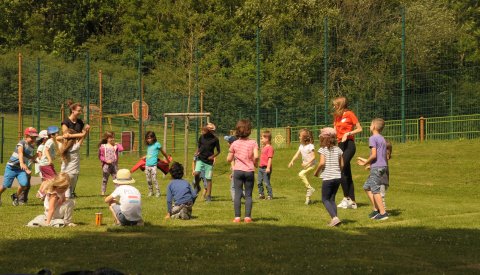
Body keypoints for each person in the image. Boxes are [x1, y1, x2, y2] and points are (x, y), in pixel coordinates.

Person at [333, 96, 362, 210]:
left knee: (340, 168)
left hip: (349, 145)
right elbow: (334, 131)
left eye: (335, 104)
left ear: (340, 104)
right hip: (340, 145)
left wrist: (348, 133)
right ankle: (353, 202)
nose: (334, 106)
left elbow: (360, 128)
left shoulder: (350, 114)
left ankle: (347, 199)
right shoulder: (336, 116)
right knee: (346, 173)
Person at [357, 118, 389, 220]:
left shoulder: (373, 138)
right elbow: (380, 156)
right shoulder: (382, 138)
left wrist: (365, 163)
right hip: (382, 166)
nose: (369, 126)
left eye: (370, 124)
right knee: (367, 186)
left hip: (377, 168)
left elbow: (374, 155)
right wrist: (369, 163)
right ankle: (376, 210)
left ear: (374, 126)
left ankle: (383, 213)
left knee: (375, 190)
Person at [227, 119, 259, 223]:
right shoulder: (253, 142)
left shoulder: (235, 143)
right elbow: (257, 156)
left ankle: (237, 217)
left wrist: (233, 158)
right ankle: (247, 217)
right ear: (249, 130)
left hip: (238, 171)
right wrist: (255, 163)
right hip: (249, 171)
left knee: (237, 194)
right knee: (248, 195)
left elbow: (228, 159)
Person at [0, 127, 38, 207]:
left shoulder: (31, 146)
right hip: (11, 167)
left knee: (24, 184)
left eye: (35, 137)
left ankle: (15, 196)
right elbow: (20, 152)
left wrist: (32, 158)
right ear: (26, 136)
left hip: (21, 169)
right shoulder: (22, 143)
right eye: (31, 137)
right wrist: (21, 163)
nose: (33, 139)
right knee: (5, 186)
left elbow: (25, 154)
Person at [314, 127, 344, 227]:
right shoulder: (338, 149)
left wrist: (316, 172)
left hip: (328, 177)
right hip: (337, 177)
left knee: (325, 199)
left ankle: (334, 218)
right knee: (332, 199)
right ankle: (335, 219)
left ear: (323, 139)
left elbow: (322, 163)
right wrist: (338, 172)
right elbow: (342, 165)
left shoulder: (323, 149)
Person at [193, 123, 221, 202]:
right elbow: (199, 146)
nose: (203, 131)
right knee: (196, 173)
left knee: (208, 179)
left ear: (210, 131)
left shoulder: (215, 139)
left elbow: (219, 151)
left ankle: (208, 195)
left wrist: (213, 156)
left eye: (205, 130)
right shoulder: (201, 137)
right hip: (200, 159)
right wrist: (197, 152)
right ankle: (197, 186)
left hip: (209, 161)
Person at [288, 128, 316, 205]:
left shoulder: (310, 146)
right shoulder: (301, 146)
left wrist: (307, 164)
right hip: (306, 166)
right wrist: (292, 161)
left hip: (311, 166)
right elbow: (297, 155)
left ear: (304, 138)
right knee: (307, 182)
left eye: (300, 136)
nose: (299, 137)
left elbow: (314, 157)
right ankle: (308, 199)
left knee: (301, 174)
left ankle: (310, 189)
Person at [59, 128, 89, 198]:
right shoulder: (76, 147)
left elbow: (57, 138)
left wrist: (68, 136)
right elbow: (82, 136)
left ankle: (65, 203)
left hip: (64, 173)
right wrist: (85, 132)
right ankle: (68, 203)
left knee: (65, 190)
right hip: (73, 173)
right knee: (70, 190)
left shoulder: (62, 147)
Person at [142, 131, 169, 197]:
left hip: (153, 165)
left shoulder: (157, 144)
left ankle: (158, 192)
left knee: (154, 179)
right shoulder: (148, 146)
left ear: (153, 138)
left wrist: (167, 158)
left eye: (150, 138)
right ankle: (151, 192)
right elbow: (150, 154)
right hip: (147, 165)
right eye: (147, 138)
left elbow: (163, 152)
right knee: (148, 180)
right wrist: (145, 156)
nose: (149, 139)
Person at [98, 131, 124, 196]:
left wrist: (118, 144)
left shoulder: (115, 146)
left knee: (116, 179)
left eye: (113, 137)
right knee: (105, 179)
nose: (112, 139)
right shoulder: (103, 146)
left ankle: (117, 192)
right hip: (106, 166)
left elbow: (121, 149)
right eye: (110, 138)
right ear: (107, 138)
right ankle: (103, 192)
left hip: (114, 165)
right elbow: (100, 156)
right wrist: (105, 161)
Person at [224, 135, 241, 202]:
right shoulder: (239, 149)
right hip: (242, 170)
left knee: (233, 187)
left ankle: (235, 199)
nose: (227, 144)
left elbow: (231, 160)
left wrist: (233, 172)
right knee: (239, 186)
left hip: (236, 171)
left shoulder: (232, 150)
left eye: (228, 142)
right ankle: (246, 196)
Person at [257, 130, 274, 200]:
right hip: (260, 168)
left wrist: (268, 167)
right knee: (259, 182)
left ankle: (270, 195)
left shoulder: (270, 148)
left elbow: (270, 158)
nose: (261, 140)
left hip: (266, 168)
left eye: (262, 138)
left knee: (266, 182)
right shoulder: (264, 147)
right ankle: (261, 194)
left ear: (267, 139)